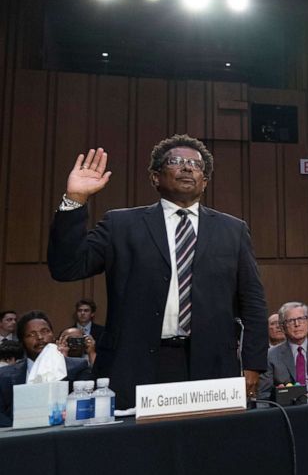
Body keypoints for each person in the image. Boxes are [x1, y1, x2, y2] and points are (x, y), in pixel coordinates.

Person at [47, 135, 268, 408]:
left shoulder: (233, 230)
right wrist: (75, 199)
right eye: (176, 162)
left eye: (195, 165)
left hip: (211, 365)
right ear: (155, 177)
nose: (187, 168)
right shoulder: (121, 224)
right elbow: (67, 267)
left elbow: (253, 303)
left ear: (205, 181)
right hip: (134, 366)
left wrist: (254, 365)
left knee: (207, 447)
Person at [0, 311, 92, 427]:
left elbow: (82, 409)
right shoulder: (4, 375)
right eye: (31, 334)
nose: (40, 338)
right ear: (22, 341)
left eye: (45, 331)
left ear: (53, 335)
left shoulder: (77, 367)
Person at [258, 303, 308, 400]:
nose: (297, 324)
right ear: (282, 326)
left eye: (301, 319)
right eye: (291, 321)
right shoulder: (270, 356)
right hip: (289, 408)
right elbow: (263, 395)